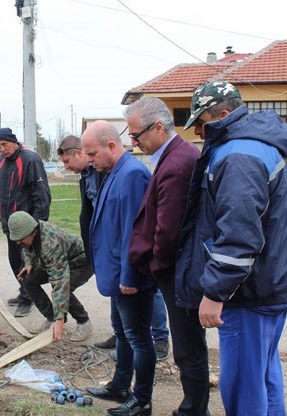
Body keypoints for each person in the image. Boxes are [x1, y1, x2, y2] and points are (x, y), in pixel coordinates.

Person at [176, 81, 287, 415]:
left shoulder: (238, 156)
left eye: (202, 124)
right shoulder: (261, 144)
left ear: (221, 114)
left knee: (243, 387)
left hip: (249, 294)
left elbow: (239, 235)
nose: (201, 134)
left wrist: (215, 292)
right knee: (263, 376)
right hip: (272, 284)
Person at [124, 96, 207, 416]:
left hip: (177, 271)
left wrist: (157, 265)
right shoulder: (171, 156)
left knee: (188, 347)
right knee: (187, 344)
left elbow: (168, 229)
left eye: (137, 135)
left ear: (158, 127)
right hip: (174, 269)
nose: (134, 142)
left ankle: (193, 410)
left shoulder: (176, 163)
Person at [58, 135, 171, 360]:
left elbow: (131, 221)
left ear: (79, 153)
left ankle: (160, 338)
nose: (66, 167)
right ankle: (119, 336)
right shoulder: (87, 176)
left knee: (147, 292)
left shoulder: (114, 172)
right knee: (115, 291)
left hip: (122, 247)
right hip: (105, 246)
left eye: (68, 162)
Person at [82, 120, 155, 416]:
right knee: (122, 333)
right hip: (117, 274)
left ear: (112, 146)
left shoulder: (133, 174)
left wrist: (129, 275)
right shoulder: (114, 171)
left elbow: (135, 232)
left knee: (139, 338)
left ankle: (142, 400)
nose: (89, 160)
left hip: (130, 277)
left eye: (92, 153)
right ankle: (120, 386)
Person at [0, 127, 52, 318]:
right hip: (10, 225)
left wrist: (38, 225)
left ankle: (27, 298)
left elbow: (42, 195)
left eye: (4, 144)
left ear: (14, 142)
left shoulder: (30, 160)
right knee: (14, 260)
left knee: (28, 263)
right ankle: (25, 292)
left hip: (28, 227)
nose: (1, 149)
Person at [8, 210, 94, 342]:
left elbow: (60, 281)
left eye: (21, 239)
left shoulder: (50, 243)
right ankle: (51, 318)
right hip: (56, 262)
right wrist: (29, 262)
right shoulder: (31, 233)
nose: (18, 242)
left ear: (33, 231)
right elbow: (26, 248)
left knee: (65, 288)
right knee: (27, 279)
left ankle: (84, 322)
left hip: (80, 264)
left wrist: (61, 318)